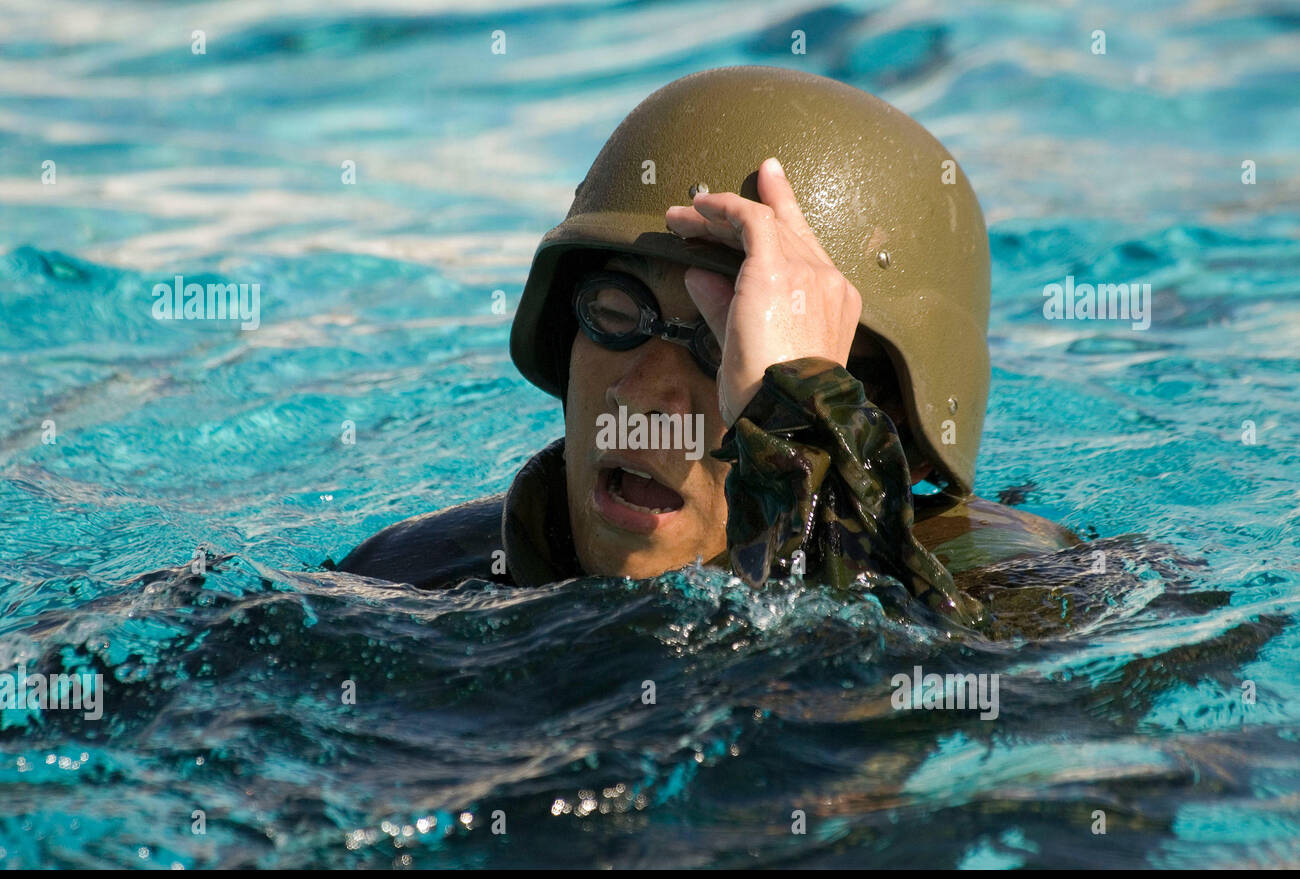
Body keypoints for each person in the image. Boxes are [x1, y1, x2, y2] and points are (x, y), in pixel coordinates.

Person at [335, 66, 1077, 627]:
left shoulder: (1021, 604)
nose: (641, 396)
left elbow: (853, 750)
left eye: (726, 347)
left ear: (900, 441)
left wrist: (798, 411)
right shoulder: (424, 580)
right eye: (616, 313)